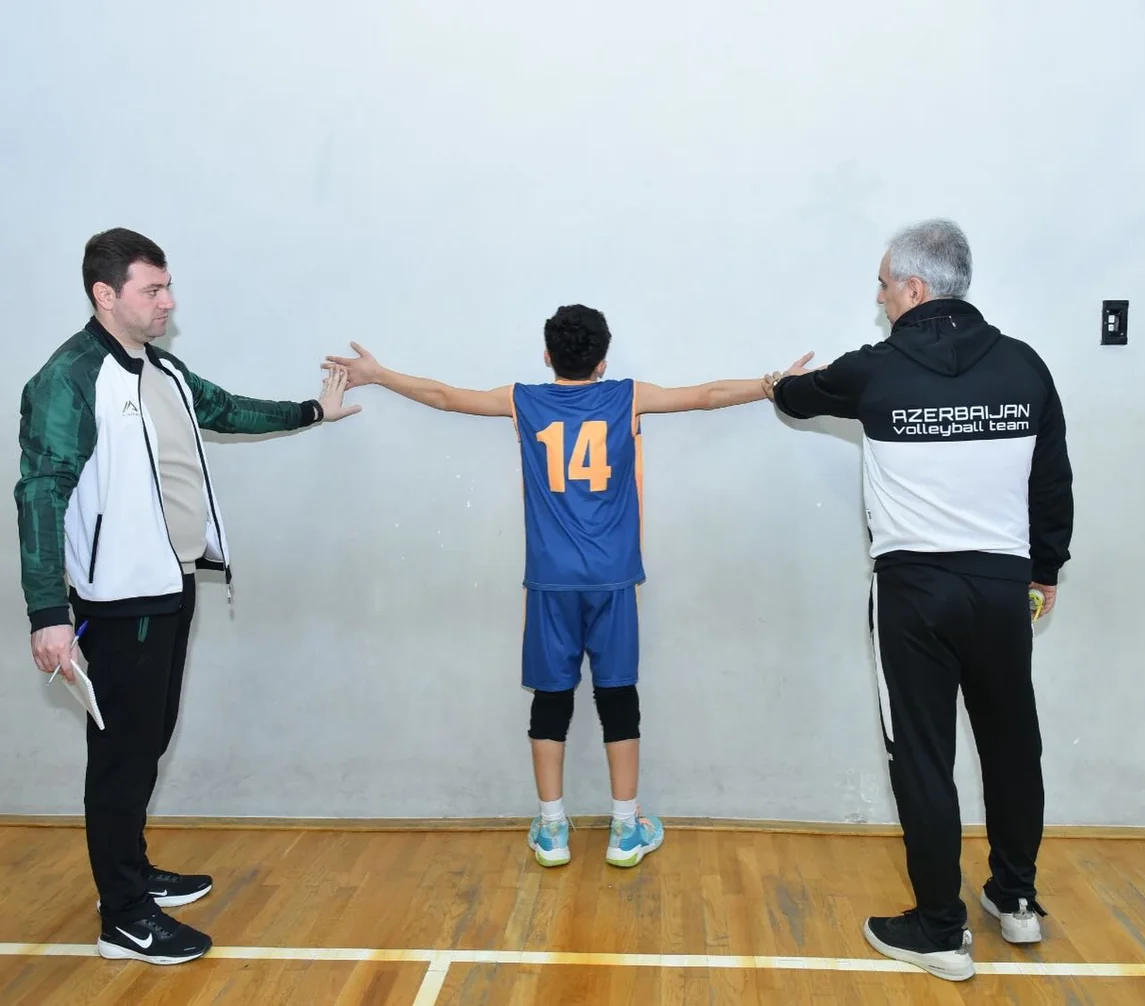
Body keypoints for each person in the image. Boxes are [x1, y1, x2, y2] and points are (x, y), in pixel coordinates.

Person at [326, 306, 801, 869]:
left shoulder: (524, 400)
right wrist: (772, 384)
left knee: (552, 698)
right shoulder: (626, 397)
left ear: (548, 354)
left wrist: (379, 374)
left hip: (551, 581)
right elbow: (707, 395)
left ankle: (552, 829)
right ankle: (625, 828)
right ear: (603, 360)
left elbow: (445, 397)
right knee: (618, 695)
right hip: (613, 578)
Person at [15, 228, 360, 966]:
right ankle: (123, 918)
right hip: (119, 600)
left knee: (149, 739)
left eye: (167, 286)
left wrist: (313, 411)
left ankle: (132, 873)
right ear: (105, 294)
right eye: (152, 289)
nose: (168, 300)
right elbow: (40, 494)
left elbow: (225, 408)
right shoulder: (69, 379)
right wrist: (48, 614)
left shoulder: (162, 369)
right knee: (122, 754)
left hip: (172, 582)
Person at [765, 220, 1072, 982]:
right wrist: (1044, 572)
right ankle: (1016, 899)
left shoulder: (875, 370)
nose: (879, 297)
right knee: (1012, 746)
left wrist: (777, 382)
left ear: (913, 287)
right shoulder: (1025, 367)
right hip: (1002, 591)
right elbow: (1052, 483)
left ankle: (940, 927)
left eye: (882, 285)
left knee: (923, 758)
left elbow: (799, 397)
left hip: (914, 596)